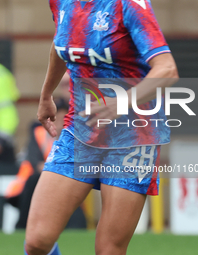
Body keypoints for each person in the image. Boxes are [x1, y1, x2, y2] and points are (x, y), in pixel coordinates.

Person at [25, 0, 179, 255]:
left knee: (108, 249)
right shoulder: (61, 3)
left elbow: (168, 69)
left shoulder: (128, 5)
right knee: (37, 241)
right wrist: (46, 95)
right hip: (80, 130)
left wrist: (120, 103)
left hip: (134, 137)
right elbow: (61, 44)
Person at [5, 98, 86, 229]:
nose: (60, 122)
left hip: (66, 181)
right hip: (36, 181)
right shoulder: (39, 134)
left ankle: (76, 227)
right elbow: (35, 163)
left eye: (64, 118)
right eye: (57, 117)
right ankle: (22, 227)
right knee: (34, 181)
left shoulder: (78, 137)